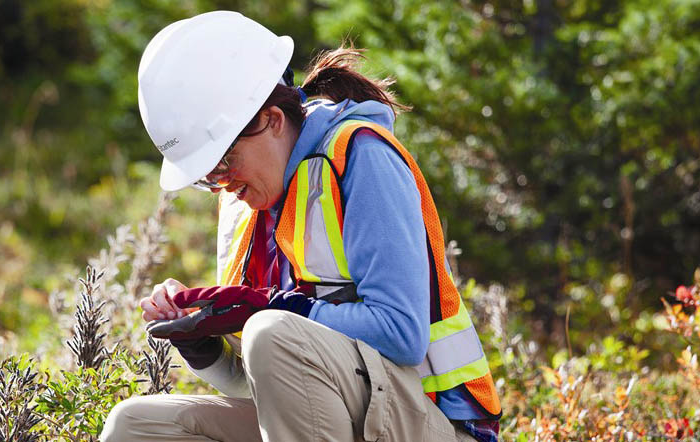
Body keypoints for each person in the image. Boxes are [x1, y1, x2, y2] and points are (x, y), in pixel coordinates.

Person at [102, 10, 502, 442]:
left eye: (222, 162)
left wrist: (271, 308)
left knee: (271, 331)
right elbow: (268, 384)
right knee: (134, 427)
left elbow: (401, 335)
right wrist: (202, 343)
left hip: (432, 425)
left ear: (271, 120)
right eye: (205, 176)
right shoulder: (245, 207)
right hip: (345, 422)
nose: (222, 184)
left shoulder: (361, 157)